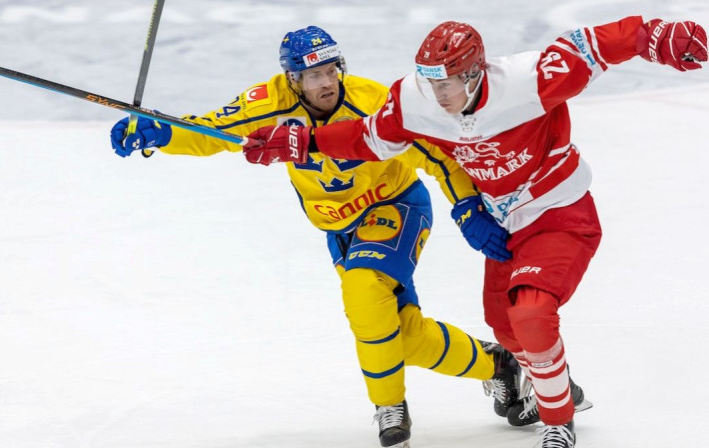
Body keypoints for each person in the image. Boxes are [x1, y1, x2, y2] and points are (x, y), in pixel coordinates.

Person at [240, 16, 707, 448]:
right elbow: (368, 138)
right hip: (505, 224)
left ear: (474, 74)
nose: (437, 95)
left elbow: (596, 45)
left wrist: (655, 37)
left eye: (446, 83)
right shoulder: (415, 99)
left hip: (558, 213)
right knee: (503, 324)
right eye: (430, 81)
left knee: (530, 313)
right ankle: (556, 386)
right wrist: (306, 140)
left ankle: (558, 419)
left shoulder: (528, 80)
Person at [110, 25, 522, 448]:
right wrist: (159, 133)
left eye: (331, 71)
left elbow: (437, 153)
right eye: (313, 76)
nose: (326, 83)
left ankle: (389, 407)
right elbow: (211, 130)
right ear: (293, 80)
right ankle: (499, 366)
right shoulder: (269, 103)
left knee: (364, 291)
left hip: (395, 207)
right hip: (341, 230)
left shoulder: (373, 102)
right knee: (401, 335)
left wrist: (467, 206)